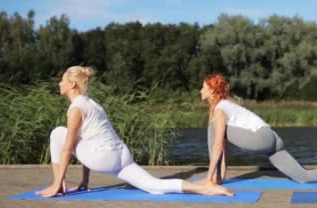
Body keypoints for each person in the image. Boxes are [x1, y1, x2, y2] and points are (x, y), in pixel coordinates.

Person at [36, 66, 233, 198]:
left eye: (62, 81)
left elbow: (68, 147)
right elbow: (84, 139)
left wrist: (57, 182)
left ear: (72, 84)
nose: (58, 84)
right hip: (121, 154)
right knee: (154, 186)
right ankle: (205, 188)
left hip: (102, 157)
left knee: (57, 134)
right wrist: (85, 181)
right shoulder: (92, 103)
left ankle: (57, 185)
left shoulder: (76, 108)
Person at [198, 74, 317, 185]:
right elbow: (222, 144)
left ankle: (212, 179)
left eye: (203, 87)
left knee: (212, 128)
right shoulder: (228, 105)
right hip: (273, 138)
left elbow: (218, 145)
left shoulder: (220, 109)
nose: (200, 90)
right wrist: (221, 175)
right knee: (303, 176)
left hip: (259, 138)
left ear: (211, 90)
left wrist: (209, 178)